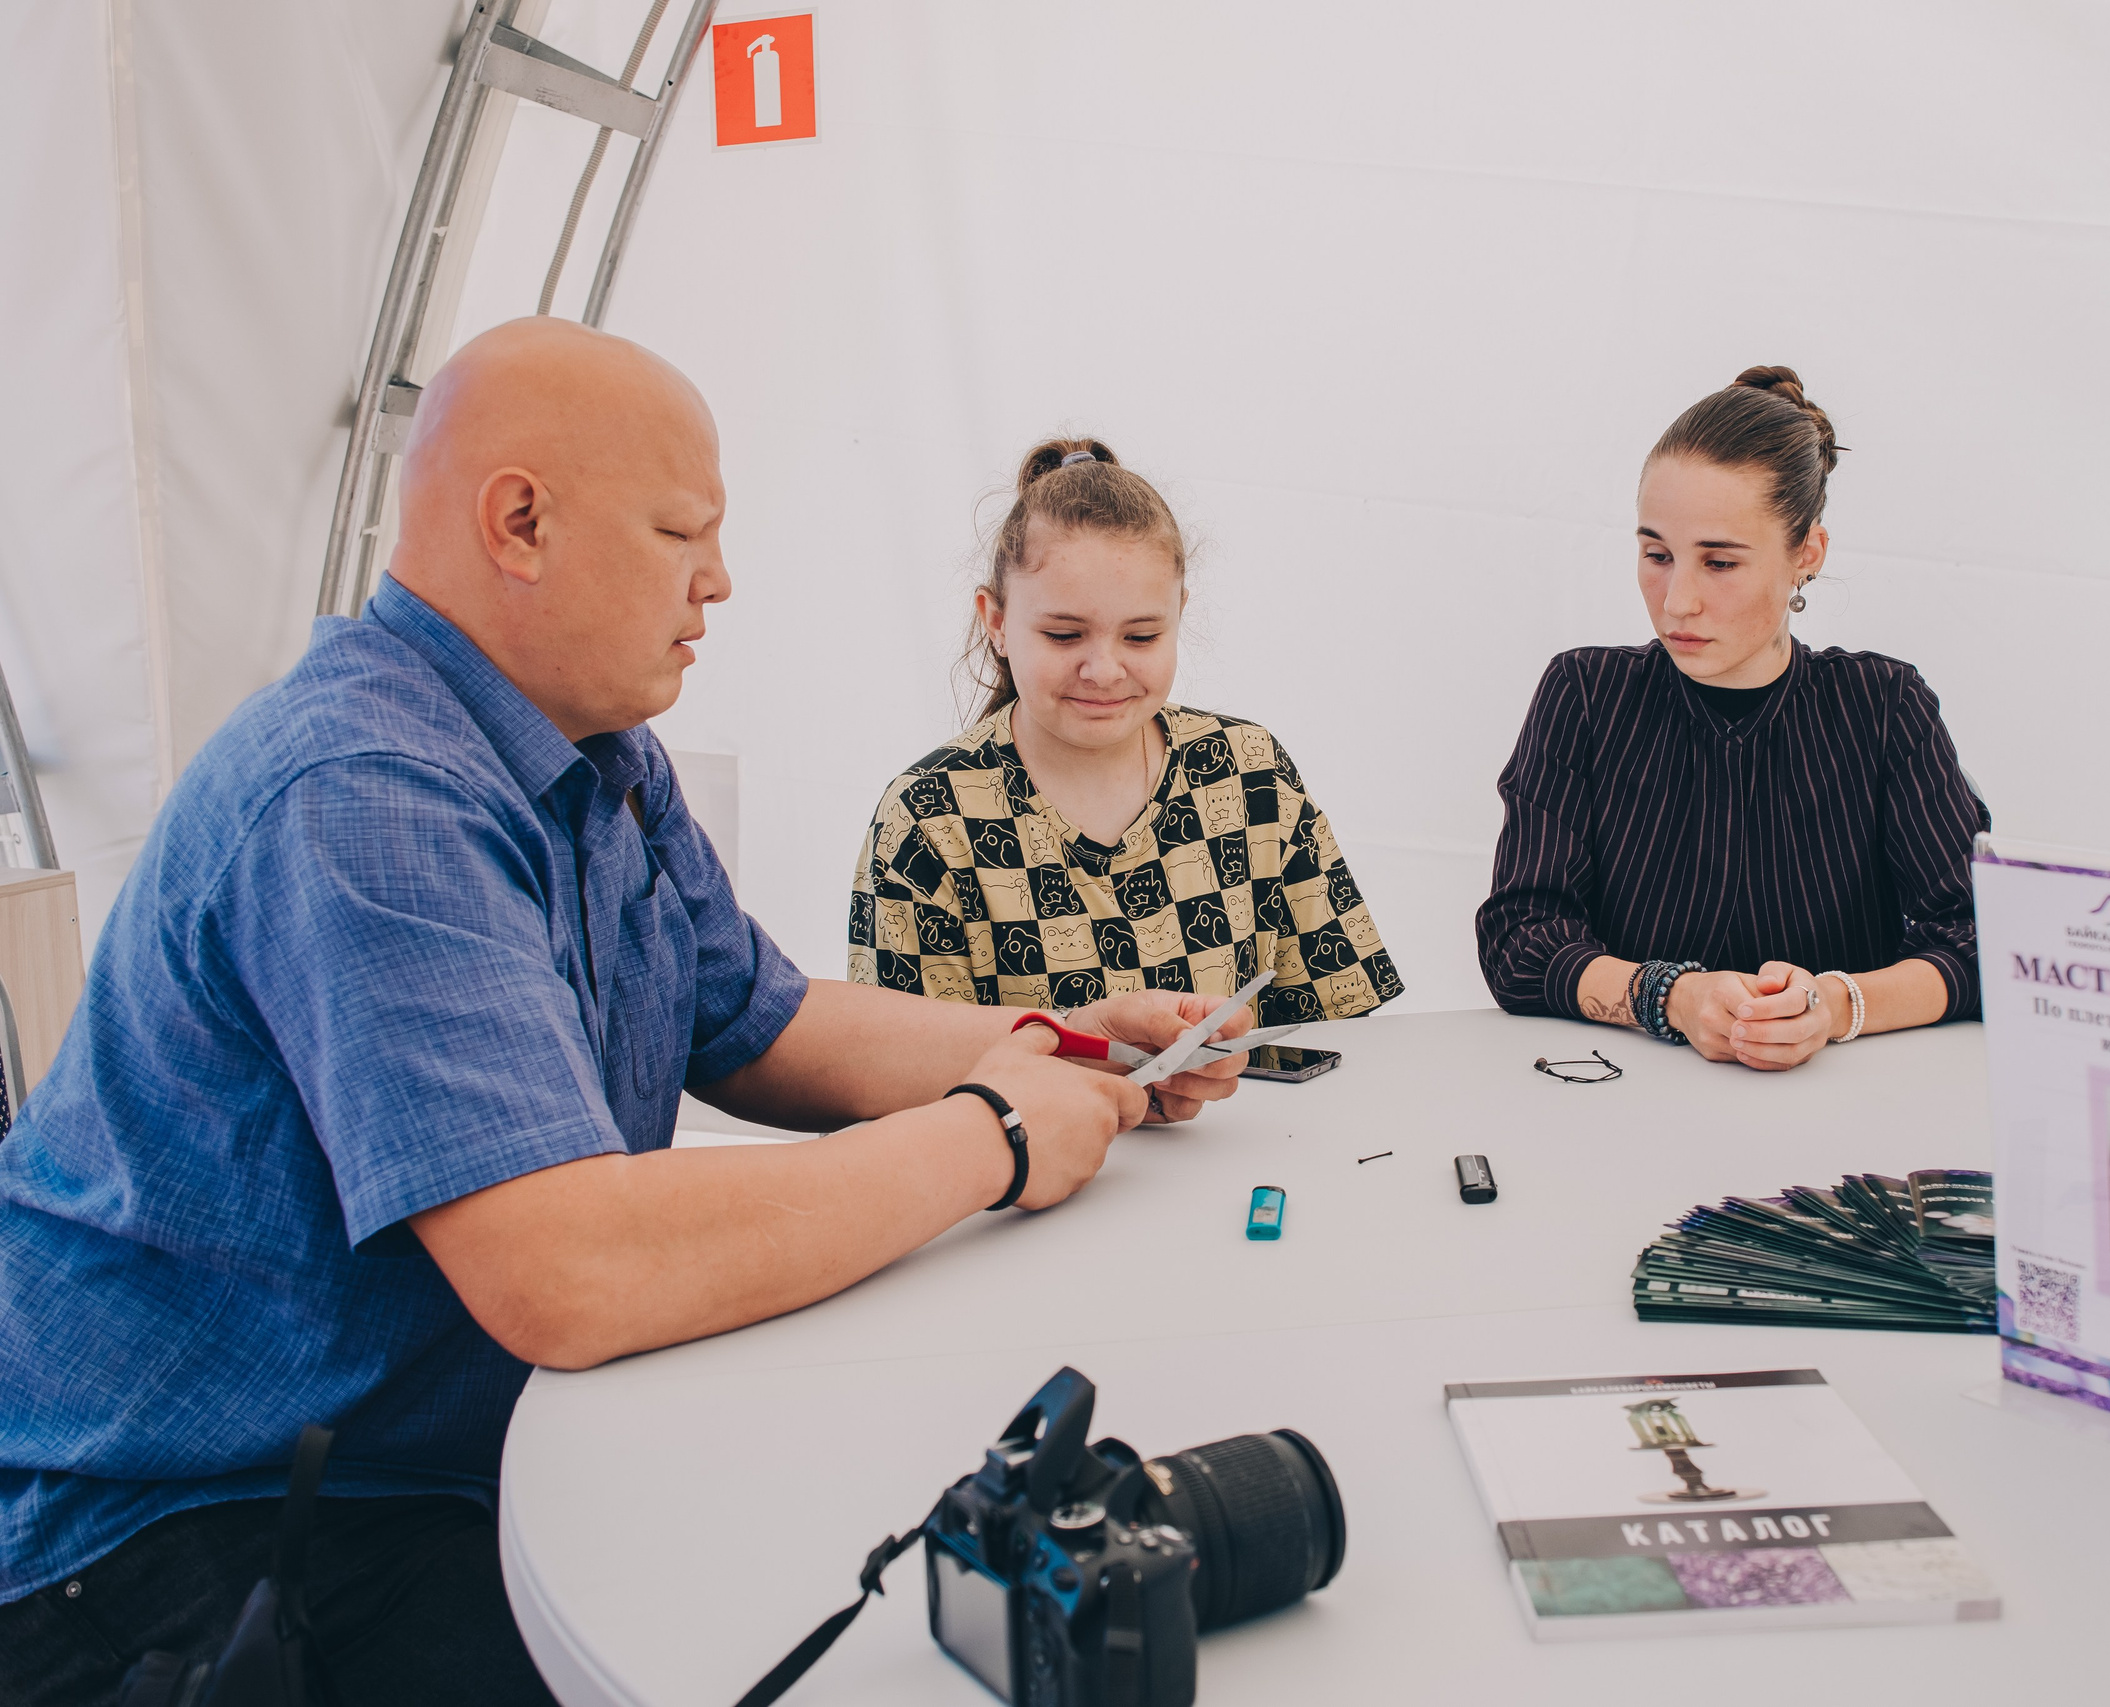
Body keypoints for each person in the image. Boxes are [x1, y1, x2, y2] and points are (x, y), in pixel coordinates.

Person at [0, 321, 1246, 1707]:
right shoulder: (364, 792)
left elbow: (763, 1019)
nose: (719, 580)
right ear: (520, 521)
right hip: (179, 1534)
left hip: (414, 1450)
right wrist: (995, 1135)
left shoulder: (599, 749)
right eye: (680, 532)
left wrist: (1065, 1039)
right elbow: (569, 1273)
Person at [1476, 366, 1986, 1069]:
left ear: (1806, 553)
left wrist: (1834, 1006)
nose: (1676, 599)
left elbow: (1980, 938)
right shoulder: (1584, 693)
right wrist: (1669, 995)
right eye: (1656, 553)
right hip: (1623, 1112)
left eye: (1719, 562)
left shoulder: (1884, 707)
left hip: (1844, 1124)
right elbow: (1518, 941)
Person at [849, 438, 1403, 1030]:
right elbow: (901, 1064)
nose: (1105, 670)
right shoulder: (930, 817)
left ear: (1179, 615)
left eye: (1140, 637)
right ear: (997, 622)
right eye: (1064, 636)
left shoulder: (1249, 774)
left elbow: (1338, 1023)